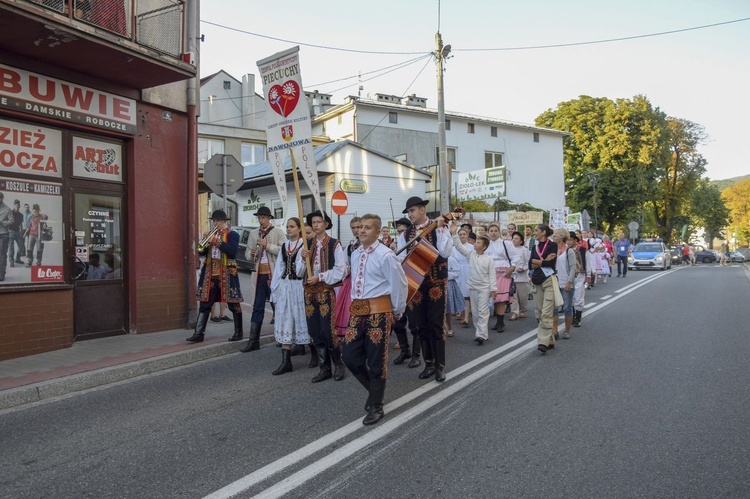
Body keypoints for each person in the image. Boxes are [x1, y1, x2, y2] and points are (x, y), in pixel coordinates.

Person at [342, 213, 408, 425]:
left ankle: (376, 405)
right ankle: (374, 392)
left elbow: (400, 284)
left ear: (378, 232)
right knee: (349, 356)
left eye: (367, 228)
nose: (362, 230)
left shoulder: (386, 255)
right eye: (360, 227)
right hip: (358, 311)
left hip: (379, 311)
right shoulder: (355, 253)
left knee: (376, 359)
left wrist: (397, 310)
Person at [396, 196, 453, 382]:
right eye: (408, 212)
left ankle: (440, 366)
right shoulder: (405, 235)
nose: (410, 215)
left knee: (436, 324)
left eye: (412, 211)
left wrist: (442, 228)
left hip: (436, 282)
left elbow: (444, 253)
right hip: (416, 284)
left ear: (422, 210)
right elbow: (400, 260)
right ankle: (428, 364)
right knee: (421, 325)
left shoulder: (439, 228)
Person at [298, 210, 348, 382]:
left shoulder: (334, 244)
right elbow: (298, 272)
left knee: (327, 331)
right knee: (314, 331)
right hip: (309, 293)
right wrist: (302, 258)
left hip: (325, 292)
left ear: (326, 224)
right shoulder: (306, 244)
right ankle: (324, 368)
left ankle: (338, 364)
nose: (316, 224)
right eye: (313, 222)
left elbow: (340, 271)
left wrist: (320, 277)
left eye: (319, 221)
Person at [188, 210, 244, 343]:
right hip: (211, 273)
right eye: (214, 221)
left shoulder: (232, 234)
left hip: (227, 273)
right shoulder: (211, 234)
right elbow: (201, 252)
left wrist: (217, 242)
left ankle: (238, 332)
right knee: (205, 304)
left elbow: (232, 251)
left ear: (224, 221)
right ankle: (198, 333)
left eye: (217, 221)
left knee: (233, 303)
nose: (215, 223)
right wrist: (205, 241)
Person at [269, 217, 314, 375]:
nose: (288, 229)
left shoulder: (305, 245)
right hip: (286, 287)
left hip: (298, 287)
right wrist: (275, 289)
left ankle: (314, 353)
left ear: (299, 229)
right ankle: (286, 361)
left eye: (292, 226)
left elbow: (302, 271)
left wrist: (303, 258)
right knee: (285, 320)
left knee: (303, 319)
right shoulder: (284, 246)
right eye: (287, 226)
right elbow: (279, 269)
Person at [240, 206, 285, 351]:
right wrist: (252, 253)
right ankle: (254, 341)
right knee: (257, 306)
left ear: (269, 218)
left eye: (263, 218)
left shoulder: (278, 232)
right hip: (259, 274)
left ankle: (282, 337)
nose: (261, 220)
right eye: (259, 218)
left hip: (273, 275)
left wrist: (268, 245)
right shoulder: (254, 234)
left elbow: (284, 250)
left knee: (277, 306)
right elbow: (247, 254)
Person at [450, 223, 496, 345]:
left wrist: (493, 289)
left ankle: (481, 335)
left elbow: (492, 275)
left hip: (484, 288)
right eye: (475, 242)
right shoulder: (470, 255)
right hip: (473, 288)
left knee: (483, 311)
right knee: (475, 313)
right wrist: (454, 234)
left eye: (478, 243)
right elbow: (459, 246)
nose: (475, 244)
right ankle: (480, 332)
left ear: (484, 247)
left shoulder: (489, 259)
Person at [391, 217, 421, 367]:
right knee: (398, 323)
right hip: (400, 287)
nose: (400, 233)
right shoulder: (399, 243)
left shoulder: (418, 240)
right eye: (399, 231)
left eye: (403, 231)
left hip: (414, 285)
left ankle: (416, 355)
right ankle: (405, 351)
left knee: (414, 324)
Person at [486, 223, 520, 332]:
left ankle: (500, 322)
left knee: (500, 298)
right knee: (494, 297)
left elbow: (515, 256)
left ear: (499, 232)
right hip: (490, 272)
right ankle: (499, 321)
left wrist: (512, 267)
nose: (493, 233)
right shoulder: (486, 244)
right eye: (491, 231)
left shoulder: (506, 244)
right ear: (488, 233)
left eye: (496, 231)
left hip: (503, 272)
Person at [530, 224, 558, 355]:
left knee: (546, 313)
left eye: (536, 230)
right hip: (536, 281)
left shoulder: (552, 245)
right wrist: (543, 260)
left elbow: (551, 264)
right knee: (539, 312)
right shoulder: (534, 246)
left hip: (548, 281)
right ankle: (550, 340)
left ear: (544, 232)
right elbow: (530, 264)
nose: (534, 233)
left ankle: (542, 342)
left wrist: (539, 262)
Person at [335, 217, 362, 339]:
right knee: (347, 306)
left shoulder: (367, 242)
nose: (356, 230)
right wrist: (347, 269)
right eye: (353, 228)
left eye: (358, 227)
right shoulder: (351, 245)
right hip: (351, 279)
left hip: (363, 279)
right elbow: (344, 262)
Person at [551, 229, 576, 340]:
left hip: (566, 282)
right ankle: (555, 330)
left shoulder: (569, 251)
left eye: (555, 235)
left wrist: (569, 282)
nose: (553, 237)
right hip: (555, 281)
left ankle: (567, 330)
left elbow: (573, 268)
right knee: (554, 307)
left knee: (567, 307)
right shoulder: (553, 250)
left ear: (561, 237)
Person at [445, 247, 466, 337]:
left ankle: (450, 328)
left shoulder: (451, 259)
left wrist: (445, 275)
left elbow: (457, 273)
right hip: (437, 284)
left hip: (448, 284)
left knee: (447, 309)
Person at [509, 231, 530, 321]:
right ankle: (515, 312)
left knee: (523, 296)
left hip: (522, 277)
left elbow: (529, 262)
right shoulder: (509, 250)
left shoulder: (524, 250)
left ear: (521, 241)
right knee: (513, 296)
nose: (514, 240)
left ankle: (523, 310)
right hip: (512, 276)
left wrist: (524, 268)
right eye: (513, 238)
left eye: (516, 238)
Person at [454, 227, 471, 326]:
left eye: (464, 234)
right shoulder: (453, 248)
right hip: (457, 271)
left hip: (467, 270)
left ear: (467, 235)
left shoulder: (471, 247)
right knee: (458, 293)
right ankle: (459, 312)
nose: (462, 236)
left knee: (466, 295)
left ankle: (466, 317)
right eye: (460, 234)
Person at [7, 200, 25, 268]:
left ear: (19, 206)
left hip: (18, 232)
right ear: (14, 205)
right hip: (11, 231)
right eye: (15, 205)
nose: (17, 206)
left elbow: (20, 224)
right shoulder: (10, 213)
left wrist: (22, 231)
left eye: (18, 205)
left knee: (21, 246)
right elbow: (7, 221)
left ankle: (17, 259)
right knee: (11, 247)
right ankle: (11, 261)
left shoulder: (21, 215)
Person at [0, 192, 12, 281]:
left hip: (3, 235)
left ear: (2, 199)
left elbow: (11, 222)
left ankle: (2, 274)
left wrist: (2, 223)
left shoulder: (7, 209)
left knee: (2, 255)